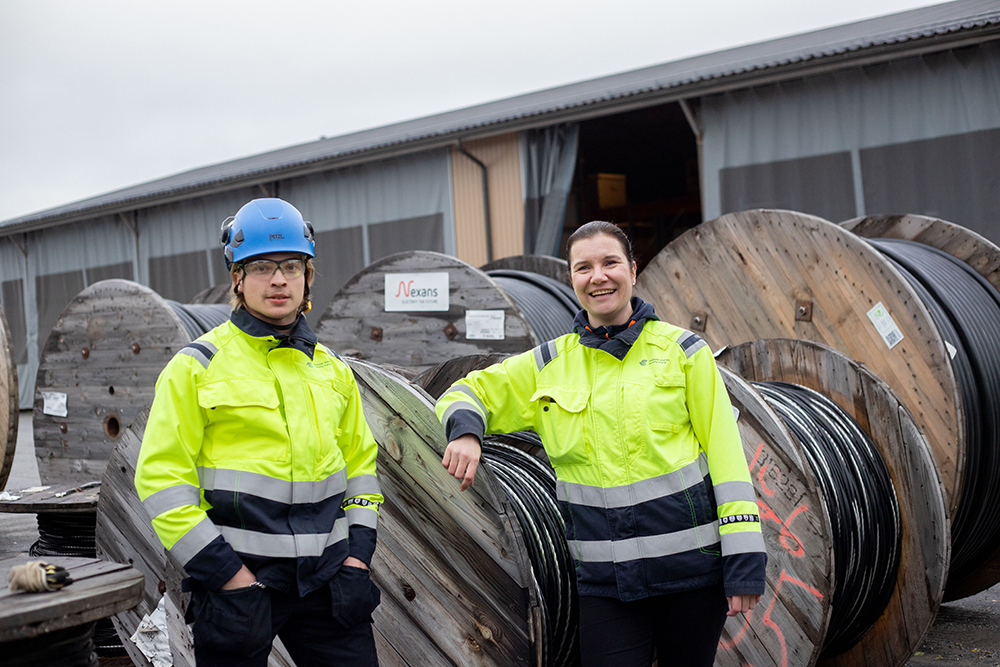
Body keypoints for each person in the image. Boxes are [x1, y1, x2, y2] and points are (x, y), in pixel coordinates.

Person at [435, 220, 766, 666]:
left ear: (632, 269)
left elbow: (728, 460)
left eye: (610, 262)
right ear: (572, 279)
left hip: (692, 577)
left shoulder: (683, 352)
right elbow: (463, 391)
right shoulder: (549, 365)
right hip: (606, 586)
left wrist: (744, 558)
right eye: (583, 267)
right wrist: (468, 432)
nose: (598, 276)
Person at [135, 198, 382, 667]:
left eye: (291, 265)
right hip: (239, 587)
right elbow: (161, 482)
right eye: (262, 267)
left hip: (329, 585)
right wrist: (228, 575)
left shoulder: (332, 371)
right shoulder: (197, 367)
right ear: (237, 279)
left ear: (307, 275)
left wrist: (357, 560)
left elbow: (361, 472)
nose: (279, 279)